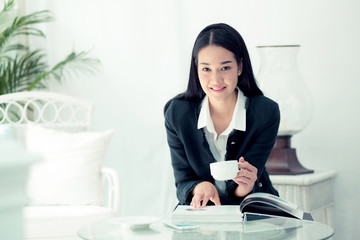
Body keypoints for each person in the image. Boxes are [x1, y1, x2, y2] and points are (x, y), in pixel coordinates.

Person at [164, 23, 280, 208]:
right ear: (196, 68)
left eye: (225, 68)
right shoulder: (177, 113)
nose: (216, 80)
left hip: (253, 211)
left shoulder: (266, 112)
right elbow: (182, 180)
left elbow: (245, 187)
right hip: (202, 217)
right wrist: (200, 187)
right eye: (206, 69)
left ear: (240, 66)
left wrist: (244, 187)